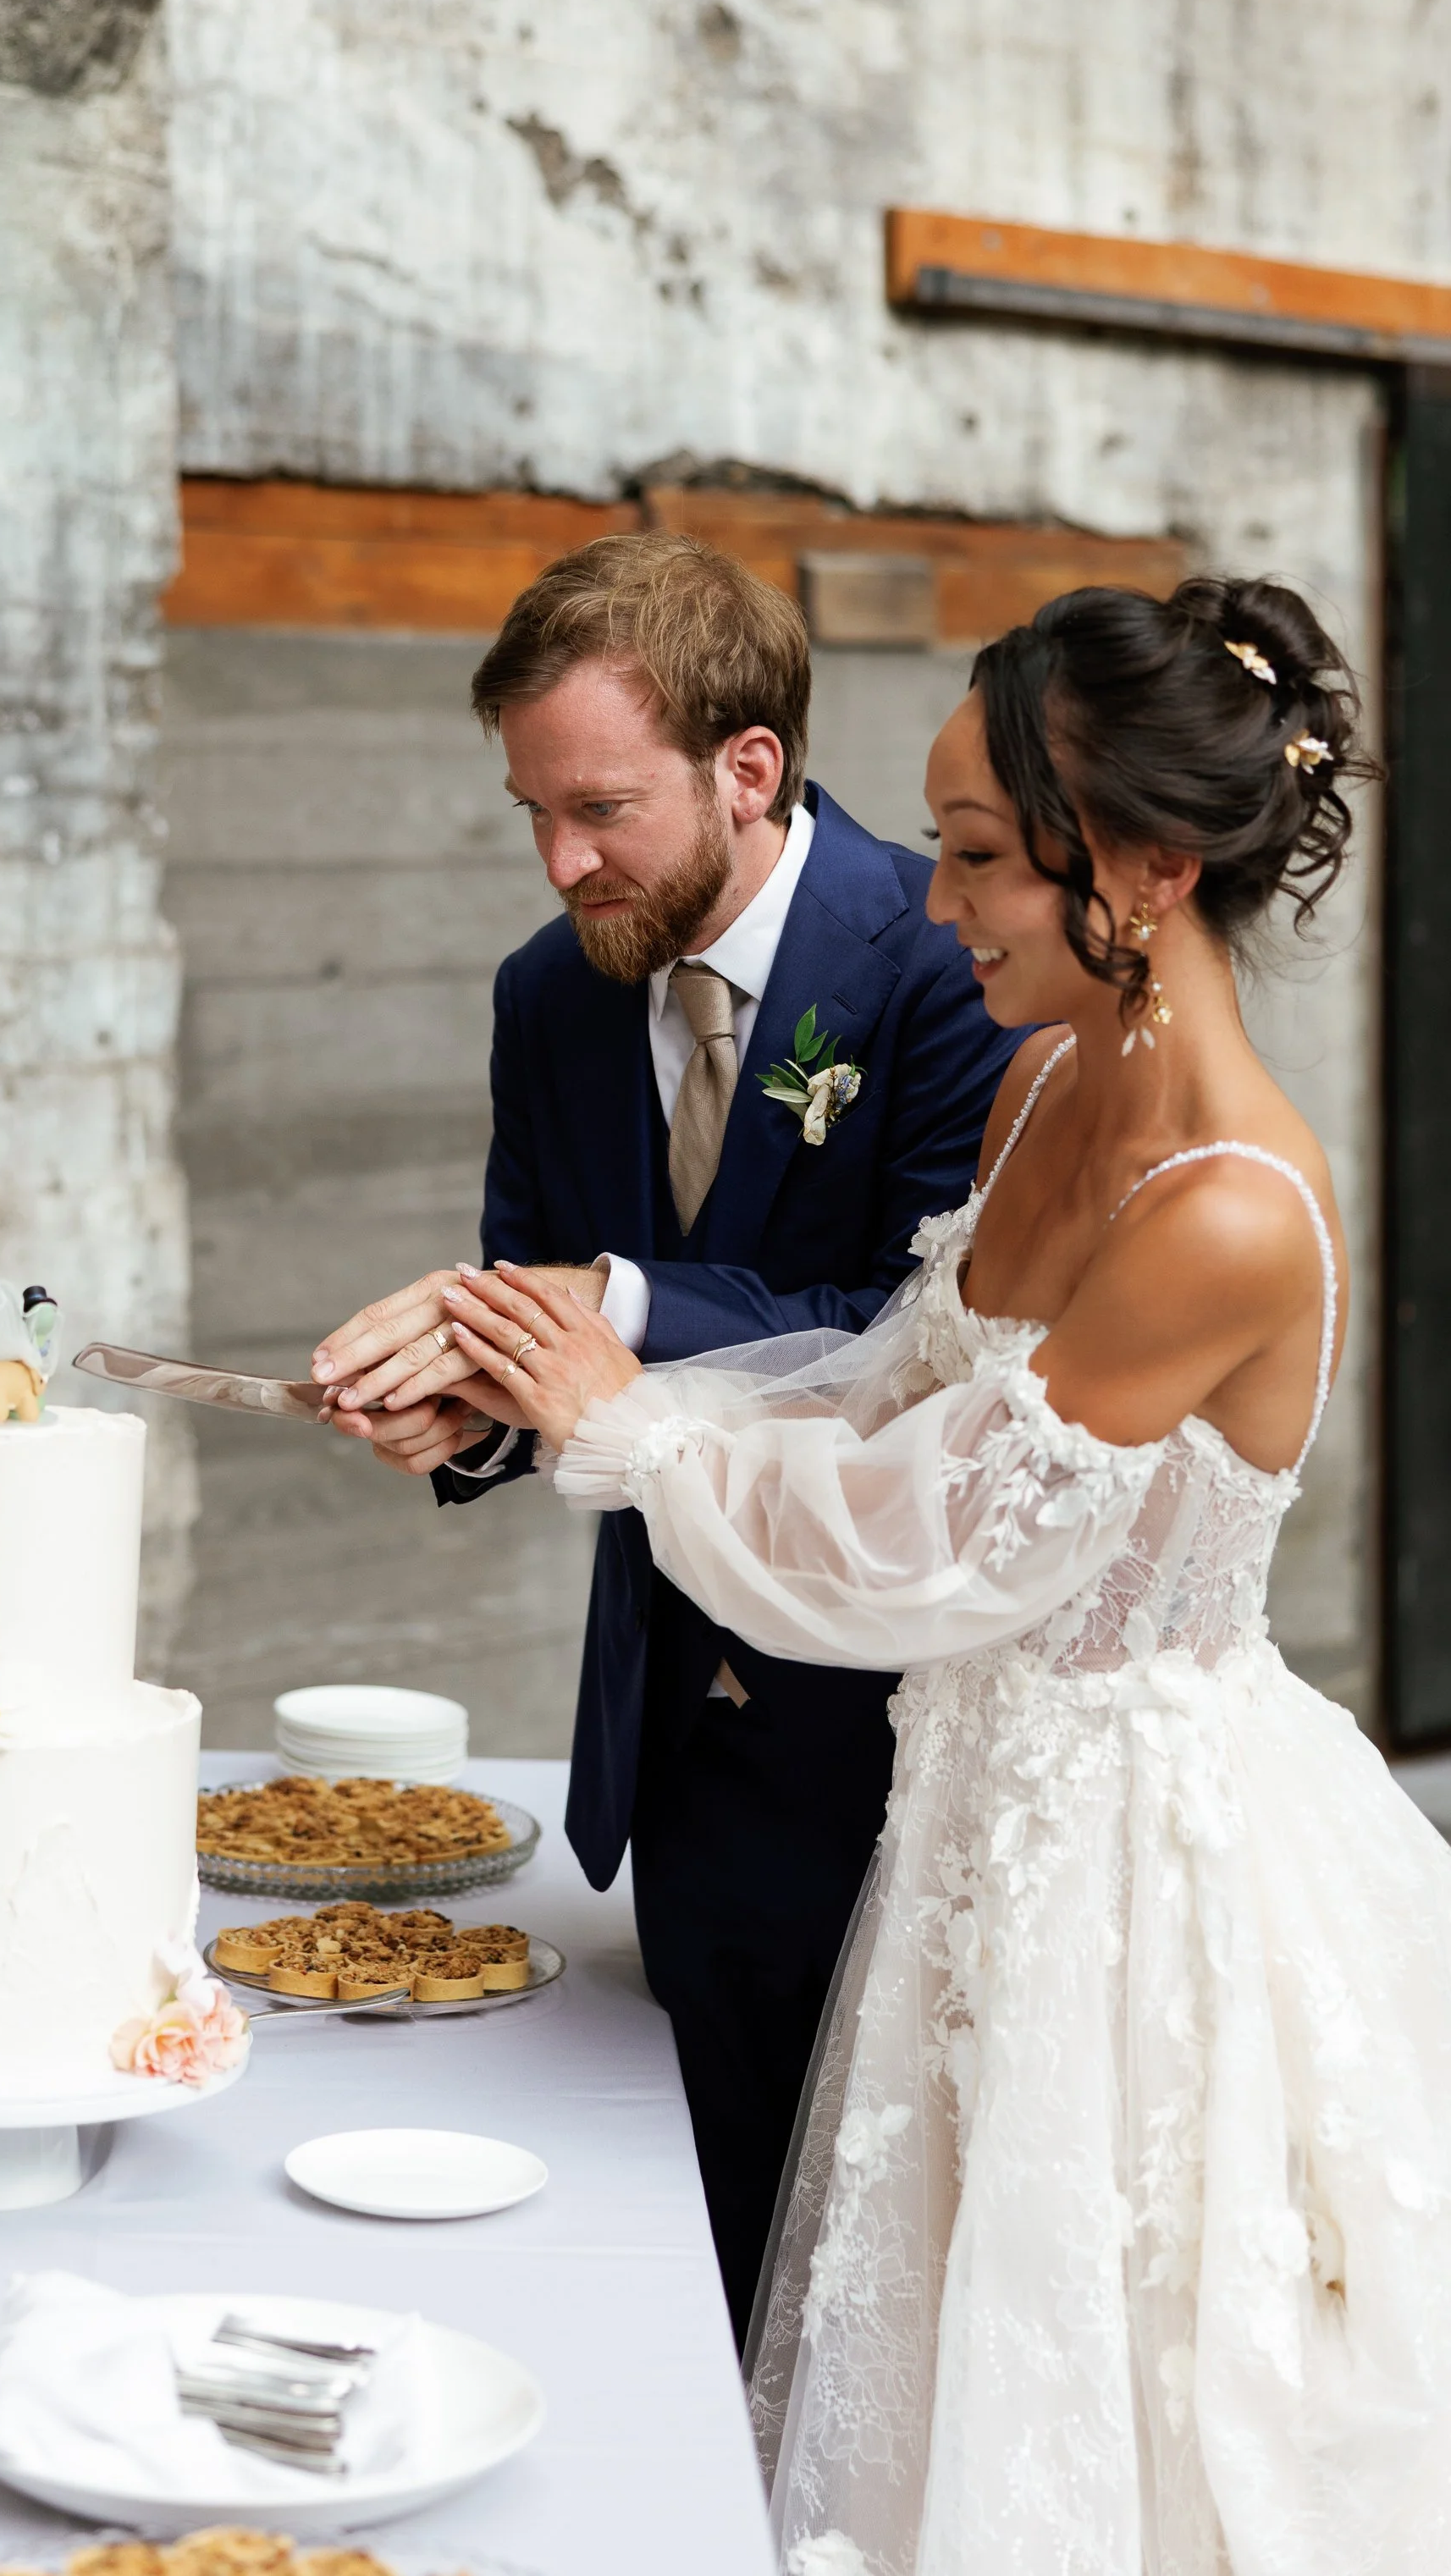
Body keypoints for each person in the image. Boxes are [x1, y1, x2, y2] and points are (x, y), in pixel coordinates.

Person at [436, 576, 1451, 2572]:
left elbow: (932, 1545)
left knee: (1103, 2402)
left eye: (979, 855)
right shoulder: (1048, 1081)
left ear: (1146, 871)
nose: (938, 899)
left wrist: (629, 1424)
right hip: (968, 1823)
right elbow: (883, 1389)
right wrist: (573, 1391)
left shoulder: (1234, 1211)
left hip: (1134, 1877)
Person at [310, 532, 1021, 2333]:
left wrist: (608, 1303)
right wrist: (458, 1409)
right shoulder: (546, 994)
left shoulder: (944, 957)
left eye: (601, 807)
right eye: (530, 810)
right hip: (676, 1747)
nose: (561, 862)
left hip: (894, 1724)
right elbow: (533, 1326)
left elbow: (915, 1335)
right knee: (702, 2261)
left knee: (885, 2286)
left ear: (748, 768)